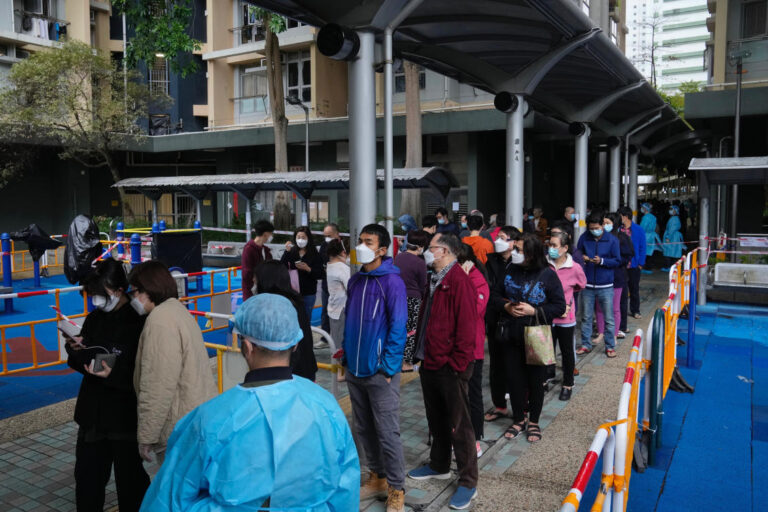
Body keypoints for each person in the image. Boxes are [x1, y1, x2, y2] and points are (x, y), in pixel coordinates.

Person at [139, 294, 359, 511]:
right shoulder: (326, 406)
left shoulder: (209, 419)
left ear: (247, 347)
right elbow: (345, 488)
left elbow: (168, 498)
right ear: (294, 345)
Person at [64, 259, 149, 512]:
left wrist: (113, 373)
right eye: (93, 295)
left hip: (124, 418)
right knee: (88, 482)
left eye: (101, 295)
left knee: (131, 484)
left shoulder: (139, 322)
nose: (96, 301)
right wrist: (76, 349)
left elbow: (143, 371)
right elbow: (79, 362)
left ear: (118, 290)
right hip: (92, 416)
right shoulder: (94, 318)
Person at [408, 233, 479, 510]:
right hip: (431, 360)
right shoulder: (433, 279)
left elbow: (466, 327)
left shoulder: (459, 281)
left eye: (432, 247)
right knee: (436, 418)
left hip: (450, 365)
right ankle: (439, 465)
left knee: (459, 426)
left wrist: (457, 364)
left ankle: (468, 481)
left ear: (445, 252)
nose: (427, 251)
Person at [344, 224, 408, 512]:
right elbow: (351, 321)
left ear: (382, 249)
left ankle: (397, 487)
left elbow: (398, 327)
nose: (361, 246)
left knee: (387, 431)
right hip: (354, 369)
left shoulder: (392, 282)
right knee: (363, 428)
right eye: (359, 241)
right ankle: (377, 477)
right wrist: (345, 354)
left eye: (368, 242)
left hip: (379, 372)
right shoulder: (355, 281)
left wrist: (388, 367)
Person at [128, 261, 217, 464]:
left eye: (134, 292)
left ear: (148, 289)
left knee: (174, 489)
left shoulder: (160, 320)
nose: (133, 298)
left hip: (178, 426)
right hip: (195, 418)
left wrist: (147, 436)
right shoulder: (177, 310)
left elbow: (157, 384)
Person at [489, 233, 566, 443]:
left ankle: (534, 421)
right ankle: (518, 418)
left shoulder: (548, 275)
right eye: (515, 249)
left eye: (520, 251)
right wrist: (506, 306)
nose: (515, 254)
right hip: (511, 335)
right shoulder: (510, 270)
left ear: (532, 253)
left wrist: (534, 311)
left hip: (536, 335)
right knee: (514, 380)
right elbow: (493, 296)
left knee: (536, 381)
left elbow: (559, 306)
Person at [253, 260, 318, 381]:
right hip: (304, 369)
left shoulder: (274, 306)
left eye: (256, 278)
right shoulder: (295, 300)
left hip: (286, 372)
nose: (254, 281)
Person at [483, 226, 522, 422]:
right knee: (496, 365)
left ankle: (521, 409)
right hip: (495, 318)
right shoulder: (490, 260)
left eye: (503, 238)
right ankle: (500, 405)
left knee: (516, 365)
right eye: (497, 237)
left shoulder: (521, 262)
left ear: (514, 242)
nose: (498, 241)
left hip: (516, 319)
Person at [456, 243, 490, 458]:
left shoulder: (477, 280)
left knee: (473, 395)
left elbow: (471, 311)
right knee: (457, 396)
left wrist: (463, 282)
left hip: (472, 348)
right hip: (455, 347)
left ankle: (475, 438)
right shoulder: (452, 276)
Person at [575, 214, 621, 357]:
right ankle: (586, 344)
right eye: (591, 228)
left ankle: (610, 346)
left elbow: (617, 261)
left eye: (597, 228)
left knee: (609, 317)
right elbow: (577, 255)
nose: (594, 230)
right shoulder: (584, 238)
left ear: (602, 225)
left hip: (606, 285)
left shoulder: (612, 240)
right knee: (586, 317)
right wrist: (582, 258)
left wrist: (602, 261)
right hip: (587, 284)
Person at [547, 232, 586, 401]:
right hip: (547, 314)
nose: (551, 248)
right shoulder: (545, 264)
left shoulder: (574, 267)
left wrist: (568, 300)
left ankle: (567, 383)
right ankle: (544, 380)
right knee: (546, 351)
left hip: (565, 318)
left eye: (555, 246)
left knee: (566, 352)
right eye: (550, 245)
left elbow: (581, 285)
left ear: (565, 248)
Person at [393, 230, 429, 372]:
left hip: (397, 297)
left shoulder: (398, 257)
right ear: (420, 246)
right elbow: (423, 285)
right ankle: (407, 363)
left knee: (398, 329)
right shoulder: (420, 263)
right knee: (411, 331)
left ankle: (396, 360)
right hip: (413, 299)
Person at [594, 213, 633, 343]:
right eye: (603, 223)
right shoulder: (599, 238)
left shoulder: (622, 238)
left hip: (616, 277)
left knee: (615, 308)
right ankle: (600, 332)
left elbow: (628, 255)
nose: (605, 226)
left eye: (607, 223)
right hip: (601, 277)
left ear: (614, 224)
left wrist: (611, 262)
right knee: (599, 307)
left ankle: (614, 335)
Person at [281, 226, 324, 321]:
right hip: (293, 292)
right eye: (298, 237)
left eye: (303, 237)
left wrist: (308, 269)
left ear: (308, 238)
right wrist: (286, 252)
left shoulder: (314, 254)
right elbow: (282, 267)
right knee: (292, 319)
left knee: (305, 319)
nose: (300, 240)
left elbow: (320, 274)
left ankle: (305, 336)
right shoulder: (291, 251)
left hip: (308, 293)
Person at [618, 206, 647, 320]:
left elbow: (642, 247)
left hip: (634, 265)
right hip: (621, 265)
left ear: (625, 217)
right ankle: (621, 311)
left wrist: (641, 263)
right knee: (621, 290)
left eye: (620, 216)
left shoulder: (638, 230)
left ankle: (635, 310)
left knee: (634, 289)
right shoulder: (618, 229)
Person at [325, 239, 350, 353]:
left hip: (334, 309)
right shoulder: (342, 267)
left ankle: (337, 367)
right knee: (341, 345)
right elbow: (351, 288)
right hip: (342, 310)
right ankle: (341, 368)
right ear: (343, 252)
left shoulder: (330, 265)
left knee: (336, 342)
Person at [241, 220, 274, 301]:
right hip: (252, 291)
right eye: (271, 233)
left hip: (264, 290)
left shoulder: (265, 250)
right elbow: (246, 273)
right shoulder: (249, 249)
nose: (272, 236)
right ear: (266, 234)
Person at [319, 223, 342, 336]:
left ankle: (338, 337)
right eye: (325, 235)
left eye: (329, 235)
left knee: (340, 312)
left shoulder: (344, 246)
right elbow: (320, 261)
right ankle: (325, 337)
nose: (327, 238)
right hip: (326, 284)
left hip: (340, 286)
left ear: (337, 234)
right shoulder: (324, 245)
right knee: (325, 311)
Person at [640, 203, 662, 271]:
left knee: (645, 252)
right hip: (652, 235)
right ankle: (649, 267)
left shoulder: (646, 217)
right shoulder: (653, 217)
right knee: (650, 252)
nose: (641, 209)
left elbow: (642, 228)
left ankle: (647, 268)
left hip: (646, 236)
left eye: (642, 208)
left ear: (645, 209)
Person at [662, 205, 684, 270]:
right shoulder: (674, 218)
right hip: (674, 236)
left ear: (675, 211)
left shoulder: (674, 219)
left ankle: (669, 266)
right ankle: (672, 266)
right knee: (673, 252)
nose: (670, 210)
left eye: (672, 209)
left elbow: (671, 229)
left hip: (672, 237)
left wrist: (668, 237)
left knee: (668, 252)